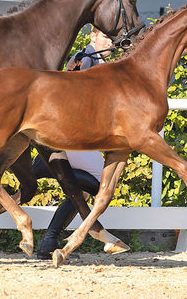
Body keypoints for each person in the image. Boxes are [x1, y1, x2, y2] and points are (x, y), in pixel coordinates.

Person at [35, 28, 118, 260]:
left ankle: (48, 244)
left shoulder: (92, 58)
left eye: (111, 38)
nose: (110, 41)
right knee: (98, 183)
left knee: (84, 188)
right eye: (105, 37)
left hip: (76, 133)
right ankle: (43, 168)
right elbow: (84, 96)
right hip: (72, 133)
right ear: (92, 38)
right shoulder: (86, 58)